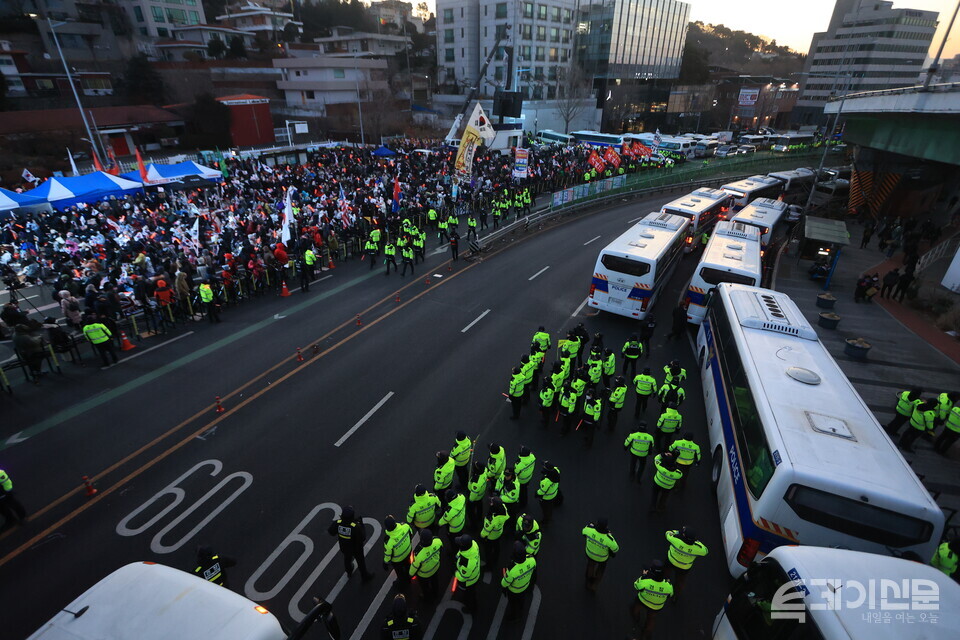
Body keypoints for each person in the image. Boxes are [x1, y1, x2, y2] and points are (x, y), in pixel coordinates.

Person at [328, 505, 373, 581]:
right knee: (360, 561)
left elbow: (331, 532)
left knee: (347, 559)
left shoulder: (338, 523)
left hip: (344, 547)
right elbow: (363, 537)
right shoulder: (355, 527)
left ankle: (349, 571)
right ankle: (365, 576)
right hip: (356, 549)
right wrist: (361, 524)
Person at [631, 561, 673, 640]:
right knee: (651, 619)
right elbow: (670, 595)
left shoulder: (645, 581)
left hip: (643, 600)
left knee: (636, 607)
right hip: (656, 606)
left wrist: (644, 575)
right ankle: (645, 636)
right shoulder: (668, 585)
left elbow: (636, 586)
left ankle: (635, 618)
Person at [664, 527, 708, 597]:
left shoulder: (675, 540)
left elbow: (668, 533)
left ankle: (666, 582)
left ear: (684, 535)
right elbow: (705, 551)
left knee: (666, 572)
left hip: (671, 561)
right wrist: (697, 541)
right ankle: (675, 596)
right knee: (680, 582)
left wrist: (678, 532)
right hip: (684, 568)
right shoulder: (698, 548)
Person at [501, 541, 537, 621]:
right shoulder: (532, 559)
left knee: (513, 604)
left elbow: (504, 583)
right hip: (525, 587)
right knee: (521, 601)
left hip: (514, 591)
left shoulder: (512, 569)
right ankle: (520, 612)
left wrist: (504, 574)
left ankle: (514, 616)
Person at [581, 517, 619, 592]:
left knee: (590, 565)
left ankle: (588, 580)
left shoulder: (589, 530)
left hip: (590, 553)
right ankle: (594, 586)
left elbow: (583, 532)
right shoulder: (609, 539)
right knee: (601, 570)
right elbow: (616, 549)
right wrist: (610, 535)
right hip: (602, 558)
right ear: (606, 527)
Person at [409, 529, 443, 602]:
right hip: (435, 568)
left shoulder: (418, 554)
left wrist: (410, 574)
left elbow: (414, 567)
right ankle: (436, 593)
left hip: (424, 575)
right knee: (435, 582)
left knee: (425, 587)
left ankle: (427, 599)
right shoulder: (437, 541)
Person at [382, 514, 413, 591]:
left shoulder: (388, 541)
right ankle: (409, 578)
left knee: (400, 573)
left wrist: (385, 563)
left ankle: (402, 584)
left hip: (397, 561)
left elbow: (388, 555)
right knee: (408, 565)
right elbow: (411, 534)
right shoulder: (405, 526)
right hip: (408, 552)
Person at [454, 534, 481, 612]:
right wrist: (457, 556)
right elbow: (462, 551)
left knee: (470, 595)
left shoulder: (467, 564)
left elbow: (463, 577)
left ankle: (471, 608)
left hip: (469, 582)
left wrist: (455, 573)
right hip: (475, 574)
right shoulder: (473, 544)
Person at [481, 497, 510, 570]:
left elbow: (485, 531)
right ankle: (496, 559)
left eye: (492, 503)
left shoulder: (492, 519)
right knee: (497, 546)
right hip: (499, 533)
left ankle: (489, 565)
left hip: (491, 537)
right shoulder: (503, 509)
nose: (490, 503)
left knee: (488, 551)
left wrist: (482, 536)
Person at [536, 461, 562, 525]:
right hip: (554, 493)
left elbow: (542, 491)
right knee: (550, 507)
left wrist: (537, 493)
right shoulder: (556, 471)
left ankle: (545, 521)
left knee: (545, 510)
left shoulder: (546, 481)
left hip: (546, 498)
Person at [466, 461, 488, 529]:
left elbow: (474, 493)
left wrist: (470, 500)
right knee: (479, 506)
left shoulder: (476, 482)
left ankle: (473, 526)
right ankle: (479, 517)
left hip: (475, 497)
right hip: (481, 495)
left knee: (470, 511)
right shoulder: (485, 471)